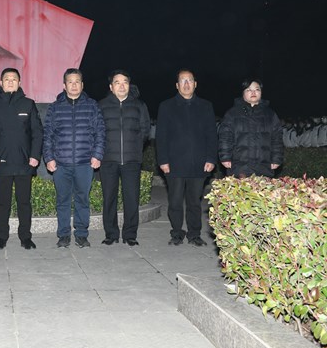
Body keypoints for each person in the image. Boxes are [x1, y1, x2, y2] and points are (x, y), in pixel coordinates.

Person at [0, 68, 43, 250]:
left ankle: (26, 237)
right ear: (1, 83)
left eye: (14, 79)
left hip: (25, 163)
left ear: (19, 82)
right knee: (2, 203)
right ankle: (1, 237)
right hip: (1, 163)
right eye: (6, 79)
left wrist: (34, 156)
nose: (10, 81)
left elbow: (37, 133)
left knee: (24, 203)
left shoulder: (28, 104)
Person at [43, 68, 105, 248]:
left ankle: (81, 234)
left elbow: (100, 132)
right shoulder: (55, 107)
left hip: (85, 163)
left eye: (77, 81)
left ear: (82, 84)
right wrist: (49, 158)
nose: (74, 85)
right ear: (64, 85)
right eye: (70, 82)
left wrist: (97, 155)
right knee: (62, 201)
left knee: (82, 200)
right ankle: (63, 235)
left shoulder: (92, 106)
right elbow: (48, 135)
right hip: (61, 164)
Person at [156, 69, 217, 247]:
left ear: (195, 84)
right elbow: (161, 136)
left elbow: (212, 135)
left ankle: (194, 234)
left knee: (194, 202)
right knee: (175, 201)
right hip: (174, 164)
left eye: (189, 80)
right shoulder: (166, 106)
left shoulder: (206, 106)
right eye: (183, 81)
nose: (186, 84)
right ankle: (176, 233)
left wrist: (211, 158)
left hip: (199, 164)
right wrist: (163, 160)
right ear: (177, 85)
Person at [98, 70, 150, 247]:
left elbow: (145, 130)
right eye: (117, 82)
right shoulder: (102, 105)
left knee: (131, 199)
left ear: (129, 85)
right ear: (111, 87)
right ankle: (111, 234)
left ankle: (130, 234)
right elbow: (97, 131)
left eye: (125, 82)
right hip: (108, 160)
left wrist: (134, 148)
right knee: (109, 199)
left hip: (131, 161)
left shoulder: (139, 105)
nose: (121, 86)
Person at [218, 79, 283, 178]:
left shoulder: (271, 114)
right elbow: (225, 137)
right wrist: (225, 157)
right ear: (243, 93)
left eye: (257, 89)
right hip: (239, 167)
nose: (253, 92)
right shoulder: (232, 114)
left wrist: (276, 159)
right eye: (249, 90)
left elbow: (277, 138)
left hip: (264, 167)